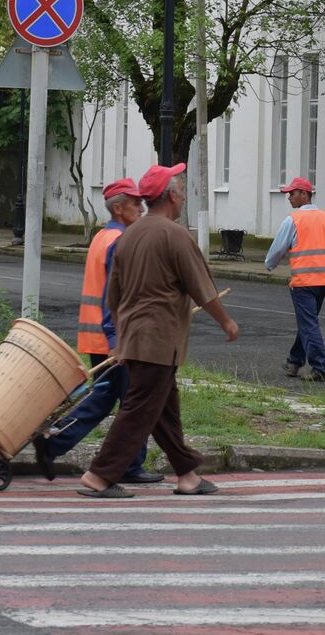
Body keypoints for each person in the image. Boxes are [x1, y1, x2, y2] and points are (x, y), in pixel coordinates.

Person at [78, 163, 239, 499]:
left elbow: (113, 297)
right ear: (170, 196)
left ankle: (187, 474)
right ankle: (99, 475)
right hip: (158, 339)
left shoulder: (129, 235)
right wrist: (226, 321)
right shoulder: (174, 235)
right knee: (138, 410)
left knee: (164, 409)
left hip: (136, 338)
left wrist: (120, 336)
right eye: (181, 191)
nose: (183, 197)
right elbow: (203, 289)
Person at [31, 178, 163, 485]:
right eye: (135, 203)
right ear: (118, 208)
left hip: (98, 336)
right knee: (135, 401)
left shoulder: (103, 237)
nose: (142, 208)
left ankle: (57, 444)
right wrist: (117, 339)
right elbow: (111, 295)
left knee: (107, 399)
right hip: (113, 338)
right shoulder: (119, 242)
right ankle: (126, 464)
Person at [264, 176, 325, 382]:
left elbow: (278, 247)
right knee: (308, 322)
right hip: (323, 283)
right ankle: (294, 361)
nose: (289, 197)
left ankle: (321, 368)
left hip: (303, 283)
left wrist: (269, 264)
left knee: (309, 324)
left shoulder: (293, 220)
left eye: (292, 193)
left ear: (304, 195)